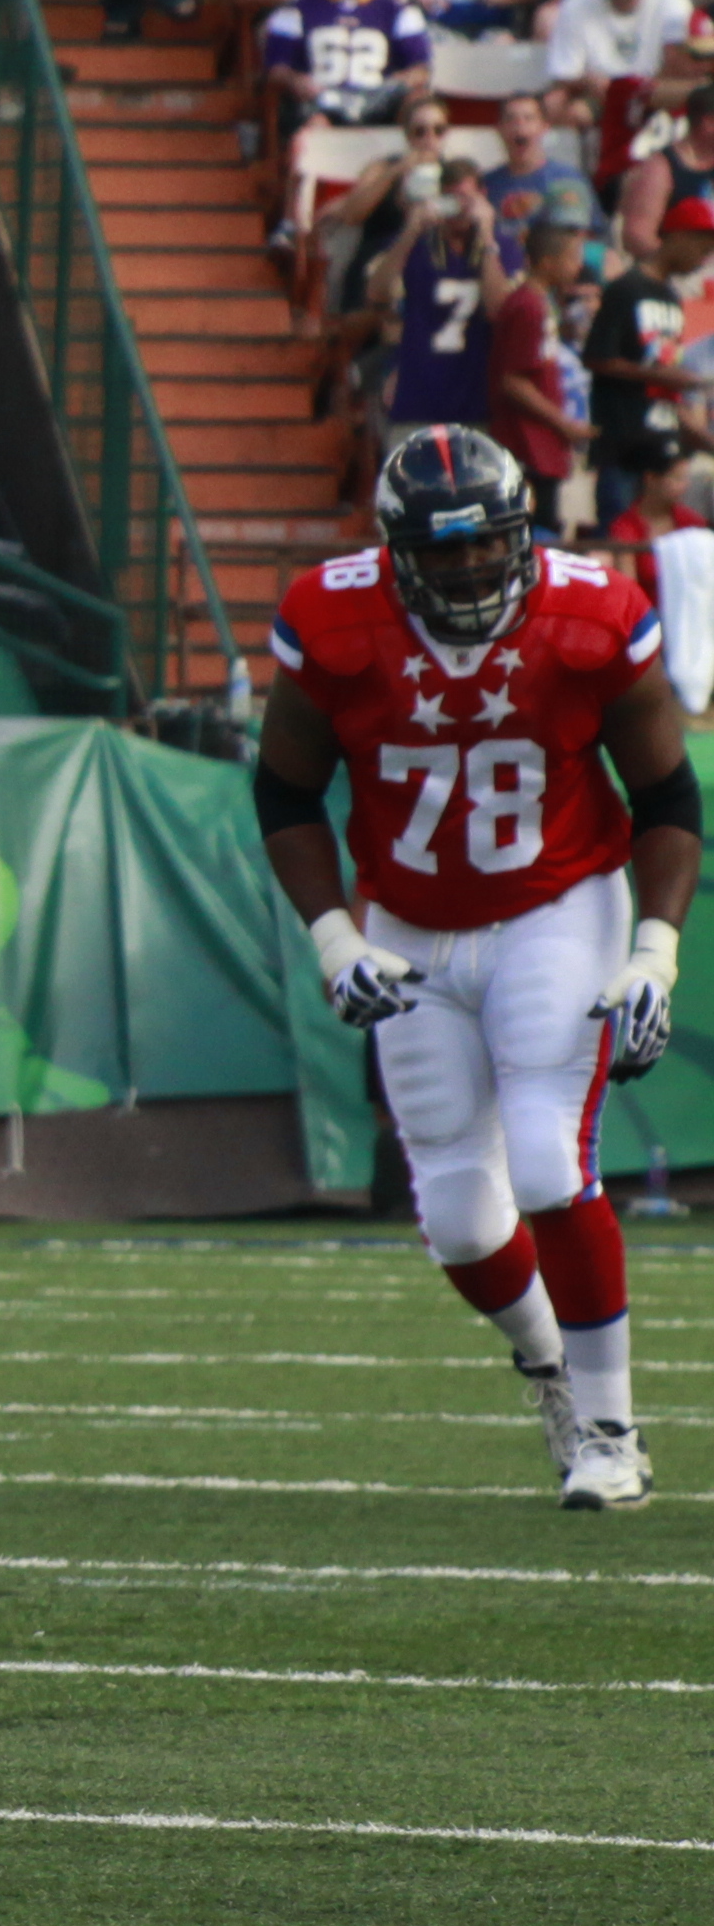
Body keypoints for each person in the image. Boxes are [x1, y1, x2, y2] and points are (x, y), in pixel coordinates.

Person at [259, 429, 692, 1508]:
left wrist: (655, 952)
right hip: (405, 922)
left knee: (547, 1163)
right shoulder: (330, 615)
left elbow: (670, 798)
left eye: (484, 546)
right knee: (456, 1213)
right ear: (397, 550)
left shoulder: (595, 614)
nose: (465, 571)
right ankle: (549, 1368)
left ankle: (611, 1432)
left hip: (556, 902)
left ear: (521, 533)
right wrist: (335, 936)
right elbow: (284, 792)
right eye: (441, 553)